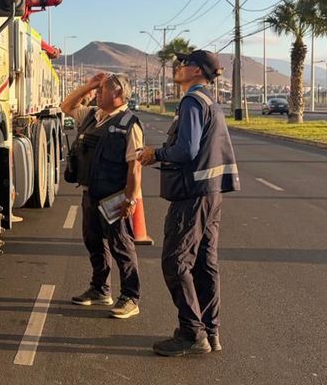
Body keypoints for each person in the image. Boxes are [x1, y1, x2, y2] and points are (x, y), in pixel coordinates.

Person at [139, 49, 238, 357]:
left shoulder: (193, 101)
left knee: (175, 261)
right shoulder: (210, 101)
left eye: (185, 63)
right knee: (205, 264)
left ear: (197, 72)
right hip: (210, 195)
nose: (179, 67)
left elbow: (187, 149)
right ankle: (210, 330)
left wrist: (154, 154)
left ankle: (192, 333)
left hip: (192, 195)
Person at [60, 72, 144, 320]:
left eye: (102, 90)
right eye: (98, 90)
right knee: (93, 242)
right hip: (90, 193)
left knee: (121, 246)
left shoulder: (130, 124)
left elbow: (134, 167)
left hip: (114, 197)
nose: (97, 94)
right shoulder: (92, 117)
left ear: (118, 94)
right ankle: (100, 289)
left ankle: (130, 297)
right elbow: (67, 106)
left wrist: (130, 199)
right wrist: (89, 85)